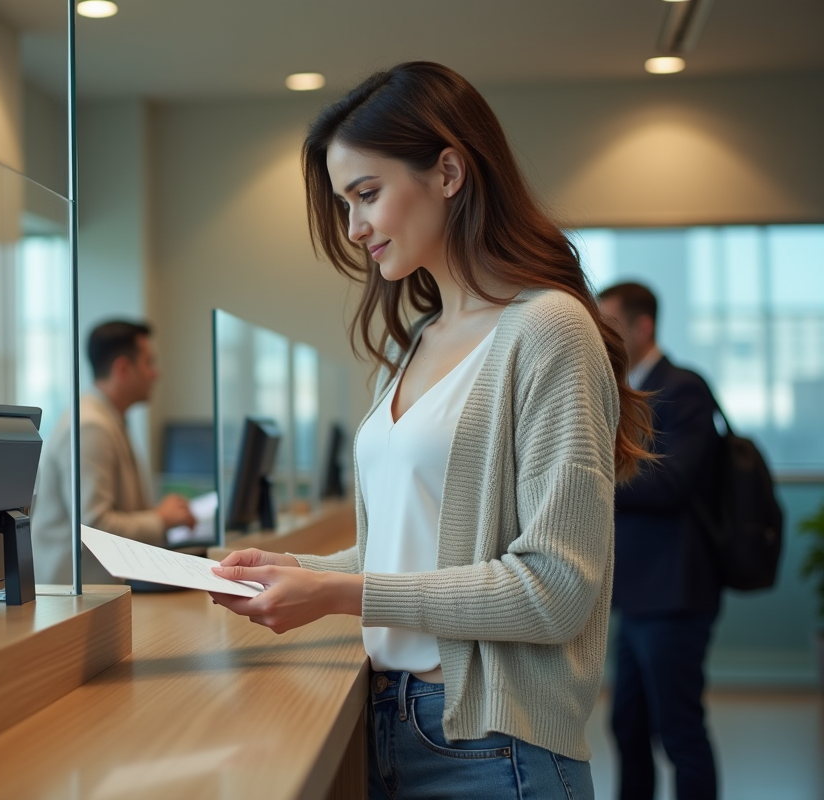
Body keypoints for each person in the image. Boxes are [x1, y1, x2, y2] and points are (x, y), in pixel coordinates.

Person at [207, 62, 654, 799]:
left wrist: (337, 593)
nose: (354, 229)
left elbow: (555, 590)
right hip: (393, 721)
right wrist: (297, 570)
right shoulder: (416, 341)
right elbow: (415, 545)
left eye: (366, 195)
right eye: (345, 205)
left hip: (493, 748)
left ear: (448, 171)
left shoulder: (548, 329)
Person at [599, 281, 722, 800]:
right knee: (627, 725)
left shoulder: (683, 387)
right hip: (639, 595)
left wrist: (594, 478)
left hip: (674, 592)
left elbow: (673, 480)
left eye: (611, 325)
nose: (601, 336)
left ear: (642, 327)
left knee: (678, 731)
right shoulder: (626, 389)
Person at [32, 320, 196, 584]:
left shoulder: (108, 418)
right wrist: (160, 519)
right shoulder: (90, 426)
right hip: (75, 603)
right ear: (122, 369)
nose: (156, 374)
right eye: (149, 362)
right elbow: (95, 527)